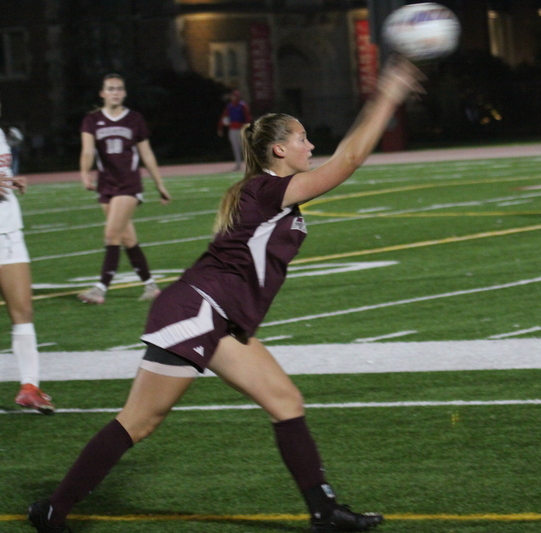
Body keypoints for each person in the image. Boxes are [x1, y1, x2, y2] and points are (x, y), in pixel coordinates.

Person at [28, 57, 423, 533]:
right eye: (301, 138)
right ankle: (52, 511)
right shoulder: (268, 190)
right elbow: (350, 159)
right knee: (139, 421)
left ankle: (324, 512)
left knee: (286, 402)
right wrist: (387, 96)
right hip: (198, 311)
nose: (310, 144)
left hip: (219, 317)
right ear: (278, 150)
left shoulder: (270, 190)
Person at [77, 73, 171, 304]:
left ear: (125, 93)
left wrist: (159, 183)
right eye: (110, 88)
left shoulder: (135, 119)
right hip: (106, 186)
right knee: (127, 238)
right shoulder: (92, 120)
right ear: (102, 93)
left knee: (111, 235)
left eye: (119, 88)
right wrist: (84, 172)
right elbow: (88, 150)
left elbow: (146, 153)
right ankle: (150, 286)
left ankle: (100, 289)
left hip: (129, 185)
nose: (115, 92)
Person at [0, 99, 54, 414]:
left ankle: (29, 387)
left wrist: (13, 180)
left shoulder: (3, 134)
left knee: (23, 312)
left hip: (9, 231)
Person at [218, 89, 252, 171]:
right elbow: (224, 117)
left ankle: (250, 164)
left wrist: (247, 128)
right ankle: (238, 164)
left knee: (244, 147)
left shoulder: (242, 105)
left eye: (235, 96)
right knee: (235, 147)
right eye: (233, 95)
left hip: (241, 129)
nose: (233, 97)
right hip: (232, 129)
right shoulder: (229, 106)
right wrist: (220, 128)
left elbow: (247, 117)